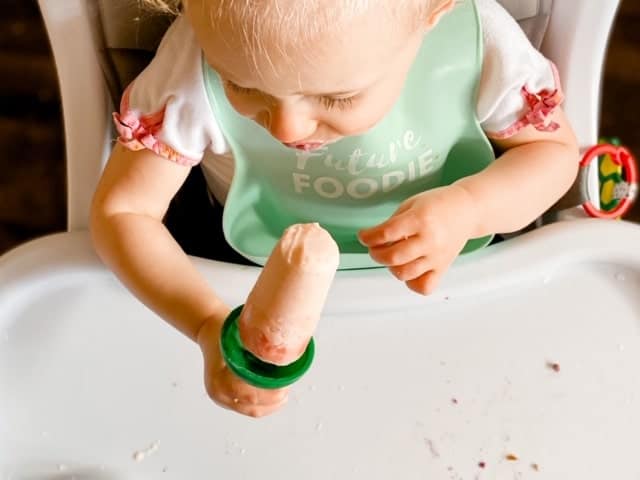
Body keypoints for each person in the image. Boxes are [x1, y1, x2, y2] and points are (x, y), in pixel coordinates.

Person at [90, 0, 579, 417]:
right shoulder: (197, 56)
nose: (286, 128)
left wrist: (472, 208)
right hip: (245, 262)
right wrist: (205, 324)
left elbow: (552, 155)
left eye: (337, 95)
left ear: (433, 14)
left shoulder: (478, 44)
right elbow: (124, 212)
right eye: (242, 85)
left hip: (457, 275)